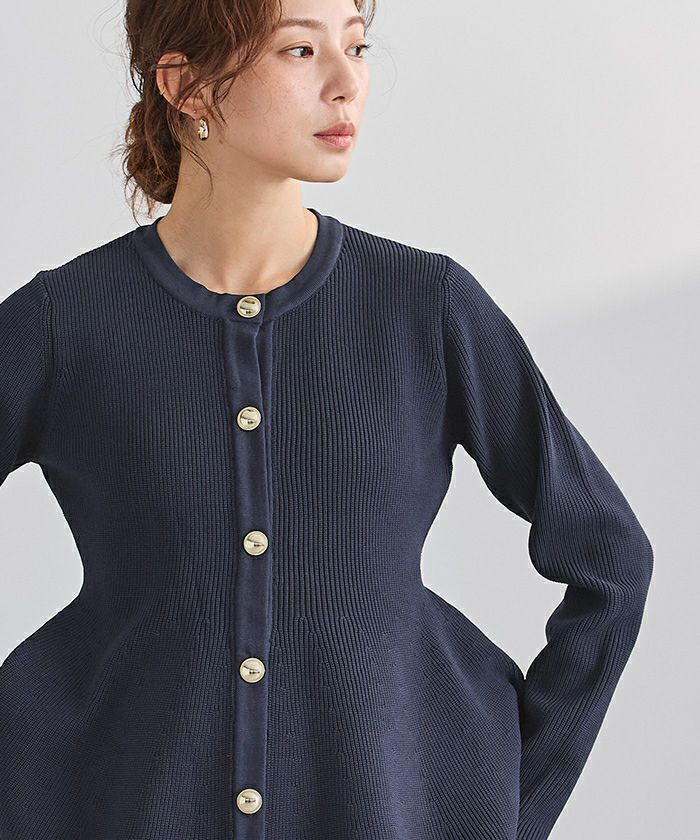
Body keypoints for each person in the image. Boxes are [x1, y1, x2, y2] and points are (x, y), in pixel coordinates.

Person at [0, 0, 653, 838]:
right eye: (300, 51)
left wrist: (510, 805)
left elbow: (610, 558)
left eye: (357, 45)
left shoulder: (426, 308)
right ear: (185, 85)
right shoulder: (66, 322)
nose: (349, 84)